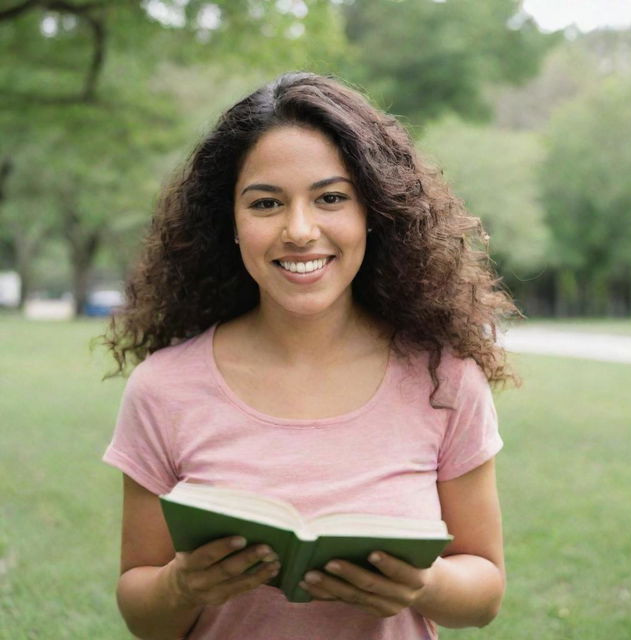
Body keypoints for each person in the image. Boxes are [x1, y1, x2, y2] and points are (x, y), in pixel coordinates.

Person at [101, 71, 518, 640]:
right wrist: (182, 585)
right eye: (267, 202)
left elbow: (484, 593)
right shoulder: (163, 388)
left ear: (373, 211)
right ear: (231, 222)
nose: (300, 230)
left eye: (330, 198)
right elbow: (142, 615)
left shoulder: (442, 379)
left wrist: (425, 586)